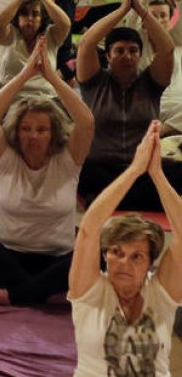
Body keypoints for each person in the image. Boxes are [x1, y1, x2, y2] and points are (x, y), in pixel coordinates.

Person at [0, 38, 93, 306]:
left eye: (41, 130)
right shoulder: (6, 159)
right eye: (26, 129)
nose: (33, 136)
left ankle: (13, 295)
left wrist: (52, 78)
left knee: (95, 252)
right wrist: (25, 73)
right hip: (11, 255)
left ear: (53, 132)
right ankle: (46, 294)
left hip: (57, 258)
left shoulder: (67, 160)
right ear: (16, 132)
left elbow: (86, 121)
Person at [69, 121, 182, 376]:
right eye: (116, 252)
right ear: (106, 254)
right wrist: (134, 170)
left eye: (136, 257)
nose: (123, 262)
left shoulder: (160, 295)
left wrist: (157, 175)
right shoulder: (90, 291)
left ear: (149, 263)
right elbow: (88, 230)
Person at [77, 0, 177, 209]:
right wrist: (122, 10)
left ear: (140, 56)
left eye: (133, 51)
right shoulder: (94, 81)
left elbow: (167, 49)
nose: (127, 55)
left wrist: (142, 10)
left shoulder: (151, 83)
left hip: (140, 168)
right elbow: (86, 44)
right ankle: (127, 199)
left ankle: (110, 200)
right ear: (108, 56)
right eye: (119, 50)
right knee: (79, 170)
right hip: (99, 167)